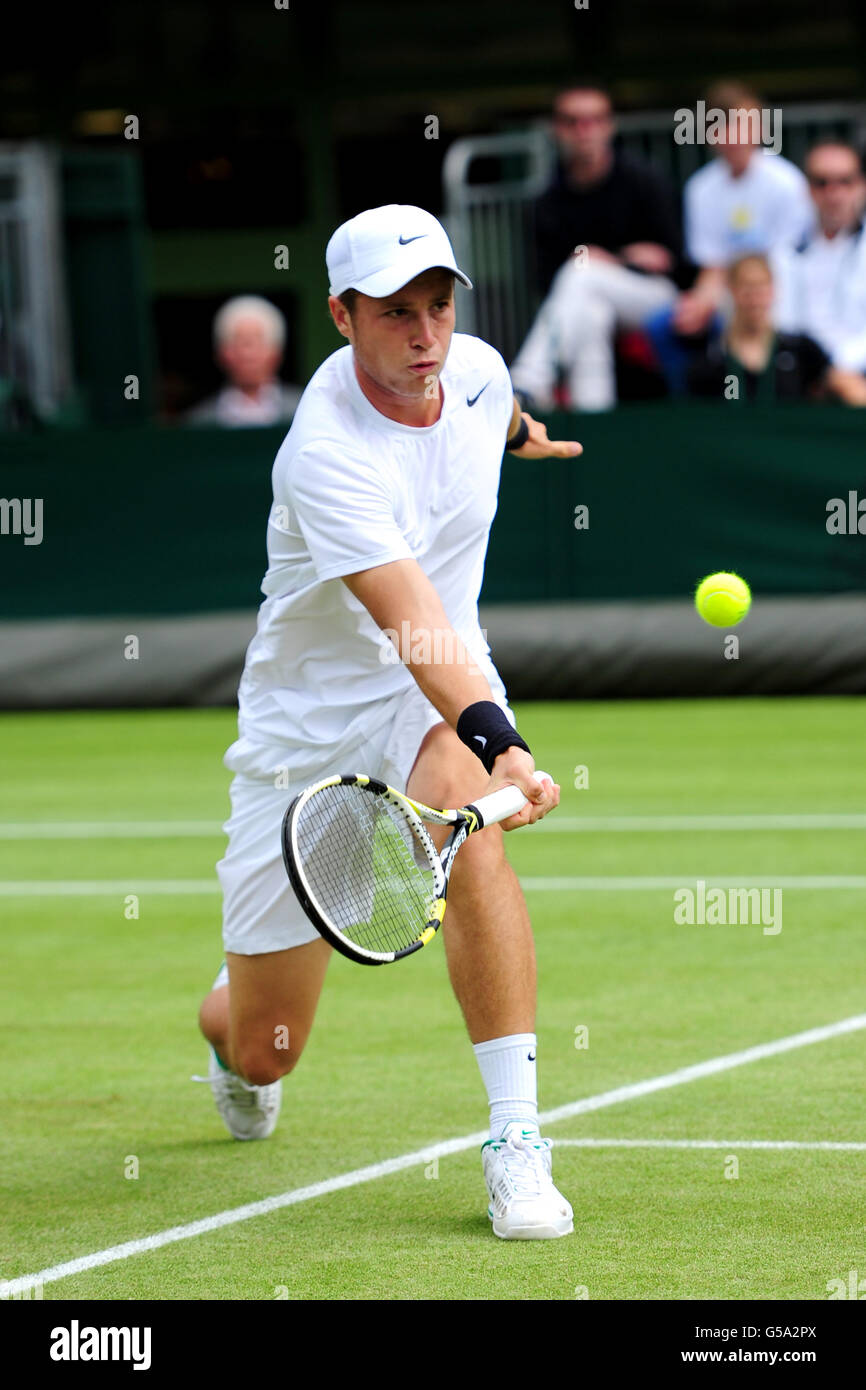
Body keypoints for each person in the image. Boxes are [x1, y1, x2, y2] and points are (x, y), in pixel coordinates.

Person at [194, 204, 584, 1240]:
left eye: (439, 306)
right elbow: (412, 623)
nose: (424, 336)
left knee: (476, 838)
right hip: (309, 734)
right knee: (263, 1045)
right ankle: (225, 1019)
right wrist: (503, 736)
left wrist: (523, 435)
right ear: (340, 316)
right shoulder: (325, 454)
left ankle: (515, 1144)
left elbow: (487, 409)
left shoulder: (475, 369)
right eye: (396, 313)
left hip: (426, 700)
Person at [509, 82, 685, 410]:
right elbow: (545, 281)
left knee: (584, 270)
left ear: (610, 125)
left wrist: (612, 261)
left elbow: (674, 262)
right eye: (572, 121)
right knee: (592, 312)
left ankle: (527, 383)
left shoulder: (645, 181)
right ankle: (593, 424)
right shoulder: (548, 201)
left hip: (656, 299)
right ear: (556, 129)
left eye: (594, 119)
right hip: (586, 300)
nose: (583, 130)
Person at [646, 81, 815, 392]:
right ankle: (690, 409)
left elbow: (784, 258)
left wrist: (742, 290)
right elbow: (711, 266)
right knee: (664, 325)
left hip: (777, 287)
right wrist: (699, 303)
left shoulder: (787, 182)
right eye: (724, 127)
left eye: (743, 125)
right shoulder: (701, 188)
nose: (735, 136)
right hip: (726, 289)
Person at [685, 253, 866, 404]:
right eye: (747, 289)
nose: (755, 299)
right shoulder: (713, 360)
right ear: (732, 291)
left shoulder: (798, 349)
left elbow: (844, 384)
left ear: (773, 290)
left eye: (761, 288)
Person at [772, 141, 866, 376]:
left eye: (845, 181)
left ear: (861, 185)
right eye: (821, 183)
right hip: (803, 373)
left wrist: (840, 366)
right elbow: (784, 324)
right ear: (808, 189)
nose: (833, 193)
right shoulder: (785, 251)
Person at [186, 295, 303, 427]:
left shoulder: (305, 410)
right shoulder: (201, 421)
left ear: (276, 352)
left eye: (257, 342)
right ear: (221, 353)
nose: (247, 354)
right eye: (237, 343)